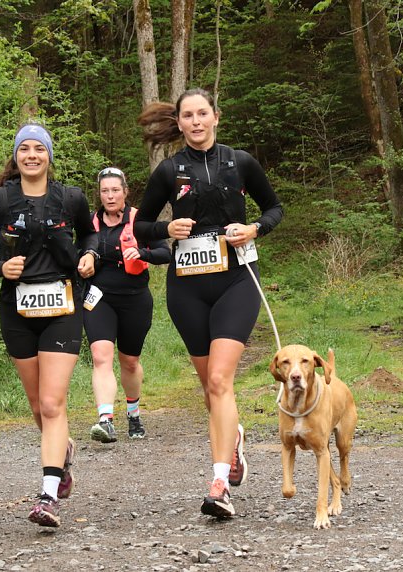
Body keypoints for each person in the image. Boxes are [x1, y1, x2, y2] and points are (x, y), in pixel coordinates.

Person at [134, 88, 283, 518]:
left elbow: (274, 208)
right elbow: (141, 226)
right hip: (188, 289)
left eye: (203, 114)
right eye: (188, 116)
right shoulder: (169, 170)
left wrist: (254, 227)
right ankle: (232, 437)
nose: (196, 122)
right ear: (178, 123)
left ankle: (219, 483)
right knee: (210, 389)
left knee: (220, 380)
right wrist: (167, 229)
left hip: (237, 279)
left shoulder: (240, 162)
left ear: (216, 117)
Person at [0, 123, 99, 528]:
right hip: (18, 311)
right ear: (16, 157)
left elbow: (92, 237)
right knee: (37, 406)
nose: (31, 155)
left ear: (49, 156)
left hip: (62, 305)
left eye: (38, 149)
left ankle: (47, 495)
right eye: (24, 149)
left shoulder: (71, 198)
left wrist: (90, 257)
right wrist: (0, 267)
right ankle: (63, 452)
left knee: (51, 403)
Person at [83, 167, 171, 443]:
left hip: (135, 298)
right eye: (105, 191)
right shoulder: (88, 223)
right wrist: (81, 263)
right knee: (101, 356)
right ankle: (105, 420)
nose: (110, 196)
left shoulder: (140, 221)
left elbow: (164, 252)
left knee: (129, 361)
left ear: (125, 192)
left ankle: (133, 412)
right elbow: (71, 252)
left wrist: (141, 252)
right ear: (99, 194)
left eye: (115, 190)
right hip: (99, 297)